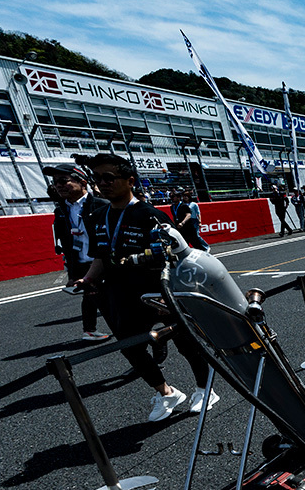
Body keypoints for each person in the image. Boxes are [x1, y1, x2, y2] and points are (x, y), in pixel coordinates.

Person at [77, 153, 217, 422]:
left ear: (130, 181)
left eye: (109, 177)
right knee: (131, 347)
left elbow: (176, 258)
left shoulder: (151, 215)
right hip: (120, 293)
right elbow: (100, 256)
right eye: (98, 178)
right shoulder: (97, 217)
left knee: (185, 342)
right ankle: (166, 393)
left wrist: (170, 293)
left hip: (158, 292)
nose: (102, 183)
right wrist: (88, 279)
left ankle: (205, 389)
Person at [46, 162, 111, 343]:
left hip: (106, 261)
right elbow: (67, 245)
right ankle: (91, 330)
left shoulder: (102, 205)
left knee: (117, 298)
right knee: (91, 296)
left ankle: (139, 332)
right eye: (55, 182)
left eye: (63, 180)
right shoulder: (61, 211)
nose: (58, 185)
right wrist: (72, 274)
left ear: (82, 182)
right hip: (82, 263)